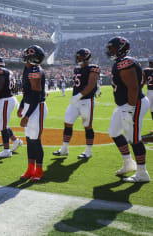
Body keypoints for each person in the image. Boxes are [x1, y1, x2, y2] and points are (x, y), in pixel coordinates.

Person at [105, 36, 150, 183]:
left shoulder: (125, 62)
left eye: (112, 48)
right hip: (124, 105)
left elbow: (133, 87)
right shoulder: (123, 62)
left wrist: (130, 108)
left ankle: (142, 173)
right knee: (113, 131)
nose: (110, 50)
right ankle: (129, 162)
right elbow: (141, 78)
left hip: (133, 104)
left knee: (134, 139)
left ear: (120, 48)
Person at [53, 48, 100, 159]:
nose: (78, 59)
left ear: (86, 57)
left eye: (80, 57)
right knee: (67, 123)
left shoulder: (93, 68)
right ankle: (64, 148)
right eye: (77, 57)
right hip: (75, 102)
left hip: (86, 101)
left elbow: (91, 84)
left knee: (87, 126)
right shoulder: (77, 69)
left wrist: (79, 95)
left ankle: (88, 151)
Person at [17, 45, 48, 182]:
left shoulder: (35, 70)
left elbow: (36, 95)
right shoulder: (28, 68)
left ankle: (39, 170)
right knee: (29, 140)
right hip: (30, 105)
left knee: (35, 140)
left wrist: (27, 115)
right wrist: (22, 106)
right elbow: (27, 92)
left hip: (37, 107)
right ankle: (30, 168)